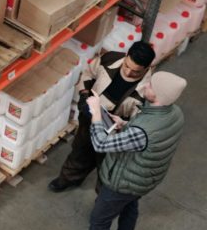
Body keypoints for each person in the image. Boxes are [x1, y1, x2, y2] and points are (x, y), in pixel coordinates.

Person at [62, 72, 186, 230]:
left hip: (124, 181)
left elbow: (101, 144)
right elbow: (148, 134)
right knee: (130, 208)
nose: (145, 85)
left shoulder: (143, 131)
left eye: (150, 85)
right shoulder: (174, 113)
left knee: (99, 220)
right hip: (144, 179)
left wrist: (96, 115)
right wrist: (124, 124)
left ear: (157, 94)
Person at [48, 41, 156, 192]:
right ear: (126, 55)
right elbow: (88, 73)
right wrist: (84, 94)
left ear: (147, 67)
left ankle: (102, 196)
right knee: (80, 150)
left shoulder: (148, 91)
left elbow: (141, 123)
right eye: (127, 66)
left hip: (114, 135)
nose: (128, 73)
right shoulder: (110, 59)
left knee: (106, 167)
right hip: (90, 118)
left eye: (136, 72)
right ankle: (69, 178)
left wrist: (123, 124)